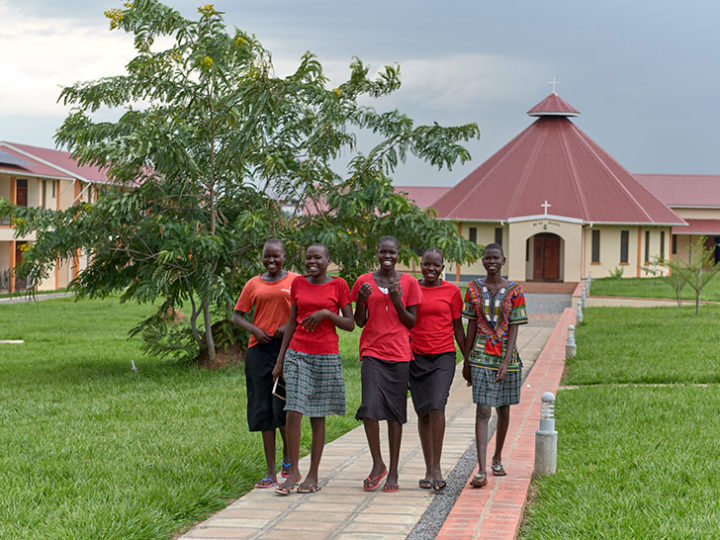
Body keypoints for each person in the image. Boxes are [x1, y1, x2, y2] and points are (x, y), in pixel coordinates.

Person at [272, 244, 354, 495]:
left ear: (328, 260)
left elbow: (350, 324)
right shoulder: (298, 284)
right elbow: (291, 323)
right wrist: (280, 360)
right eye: (308, 258)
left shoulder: (339, 285)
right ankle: (294, 470)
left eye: (317, 257)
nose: (312, 261)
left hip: (326, 355)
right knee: (293, 410)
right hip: (298, 354)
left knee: (318, 415)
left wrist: (327, 314)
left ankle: (313, 475)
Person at [351, 235, 423, 493]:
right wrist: (360, 299)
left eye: (391, 252)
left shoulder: (410, 283)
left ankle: (393, 470)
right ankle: (377, 463)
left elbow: (412, 322)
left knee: (395, 413)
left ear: (398, 253)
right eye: (383, 252)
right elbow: (359, 322)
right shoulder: (363, 282)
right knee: (369, 408)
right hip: (372, 352)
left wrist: (395, 300)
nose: (387, 256)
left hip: (400, 354)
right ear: (377, 253)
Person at [232, 238, 299, 489]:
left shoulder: (295, 281)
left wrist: (287, 326)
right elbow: (237, 316)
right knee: (263, 410)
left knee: (281, 407)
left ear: (285, 256)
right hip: (259, 350)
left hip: (286, 349)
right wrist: (255, 330)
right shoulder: (253, 284)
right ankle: (270, 472)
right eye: (267, 257)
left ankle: (288, 457)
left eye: (276, 256)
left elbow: (302, 312)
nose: (271, 261)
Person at [462, 243, 528, 488]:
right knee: (483, 411)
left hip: (506, 359)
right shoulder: (473, 289)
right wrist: (467, 360)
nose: (491, 262)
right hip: (480, 356)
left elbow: (514, 326)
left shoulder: (515, 290)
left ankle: (497, 457)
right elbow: (470, 325)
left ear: (503, 260)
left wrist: (506, 359)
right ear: (483, 261)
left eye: (496, 258)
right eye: (487, 258)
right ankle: (481, 471)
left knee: (504, 409)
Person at [409, 248, 465, 492]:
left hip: (443, 356)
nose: (431, 269)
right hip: (415, 356)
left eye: (436, 266)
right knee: (422, 412)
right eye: (426, 265)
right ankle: (427, 467)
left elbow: (458, 327)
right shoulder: (411, 288)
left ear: (443, 268)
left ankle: (437, 468)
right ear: (420, 265)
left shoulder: (452, 291)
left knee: (436, 405)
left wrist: (469, 359)